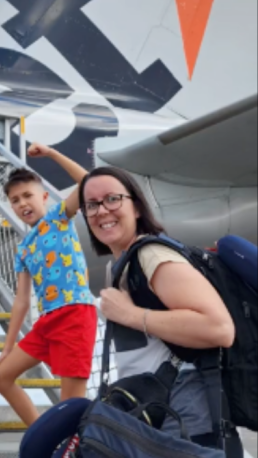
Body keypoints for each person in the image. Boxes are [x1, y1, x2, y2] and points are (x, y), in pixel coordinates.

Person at [79, 166, 242, 455]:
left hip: (186, 416)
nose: (101, 211)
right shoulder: (116, 265)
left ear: (137, 207)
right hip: (154, 411)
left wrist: (130, 315)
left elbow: (219, 328)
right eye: (91, 205)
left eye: (113, 199)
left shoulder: (151, 255)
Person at [0, 143, 97, 427]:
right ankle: (43, 436)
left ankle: (63, 446)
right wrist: (8, 346)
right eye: (15, 200)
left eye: (28, 195)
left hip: (74, 314)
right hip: (46, 321)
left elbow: (89, 182)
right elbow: (22, 301)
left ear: (45, 197)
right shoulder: (24, 248)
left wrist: (51, 154)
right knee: (0, 376)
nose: (22, 203)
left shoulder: (59, 218)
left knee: (69, 410)